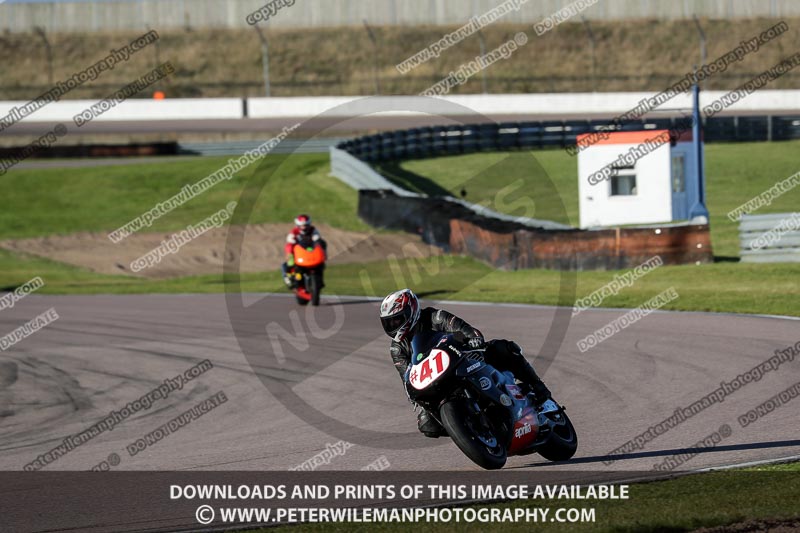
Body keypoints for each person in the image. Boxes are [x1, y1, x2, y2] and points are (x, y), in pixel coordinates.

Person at [379, 288, 552, 438]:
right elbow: (407, 377)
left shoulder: (434, 317)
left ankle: (537, 387)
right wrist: (418, 402)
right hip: (435, 381)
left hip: (463, 361)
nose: (393, 325)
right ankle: (469, 428)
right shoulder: (397, 349)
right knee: (427, 425)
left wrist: (473, 339)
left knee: (503, 348)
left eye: (397, 319)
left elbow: (464, 329)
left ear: (412, 310)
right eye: (388, 322)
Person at [282, 214, 325, 288]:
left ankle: (320, 278)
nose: (304, 228)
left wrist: (317, 242)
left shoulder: (313, 230)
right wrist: (291, 248)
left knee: (322, 244)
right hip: (298, 252)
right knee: (289, 248)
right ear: (298, 225)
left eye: (306, 225)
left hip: (310, 251)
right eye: (302, 226)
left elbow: (317, 238)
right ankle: (289, 277)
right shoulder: (294, 232)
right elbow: (290, 240)